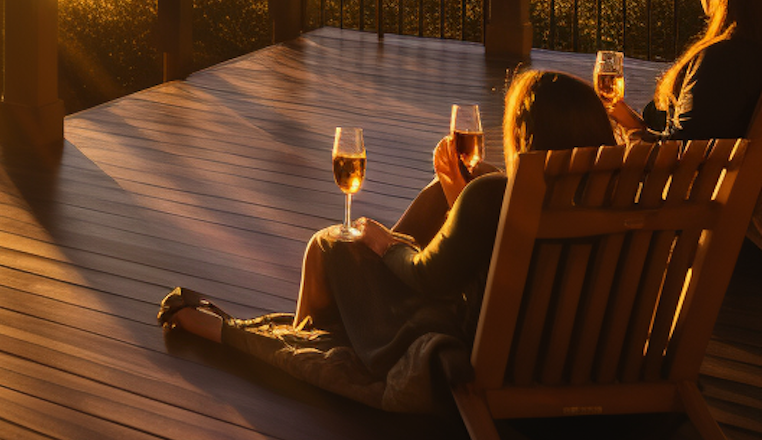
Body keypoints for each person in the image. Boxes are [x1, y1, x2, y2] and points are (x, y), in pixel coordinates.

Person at [157, 71, 616, 389]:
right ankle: (309, 325)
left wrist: (385, 243)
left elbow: (427, 277)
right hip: (587, 348)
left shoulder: (497, 195)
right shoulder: (624, 195)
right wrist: (459, 198)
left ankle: (285, 340)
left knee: (332, 245)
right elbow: (498, 251)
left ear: (525, 132)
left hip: (490, 349)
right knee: (434, 203)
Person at [605, 0, 762, 144]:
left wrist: (633, 134)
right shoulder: (748, 55)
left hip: (700, 176)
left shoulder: (724, 59)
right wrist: (624, 115)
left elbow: (683, 151)